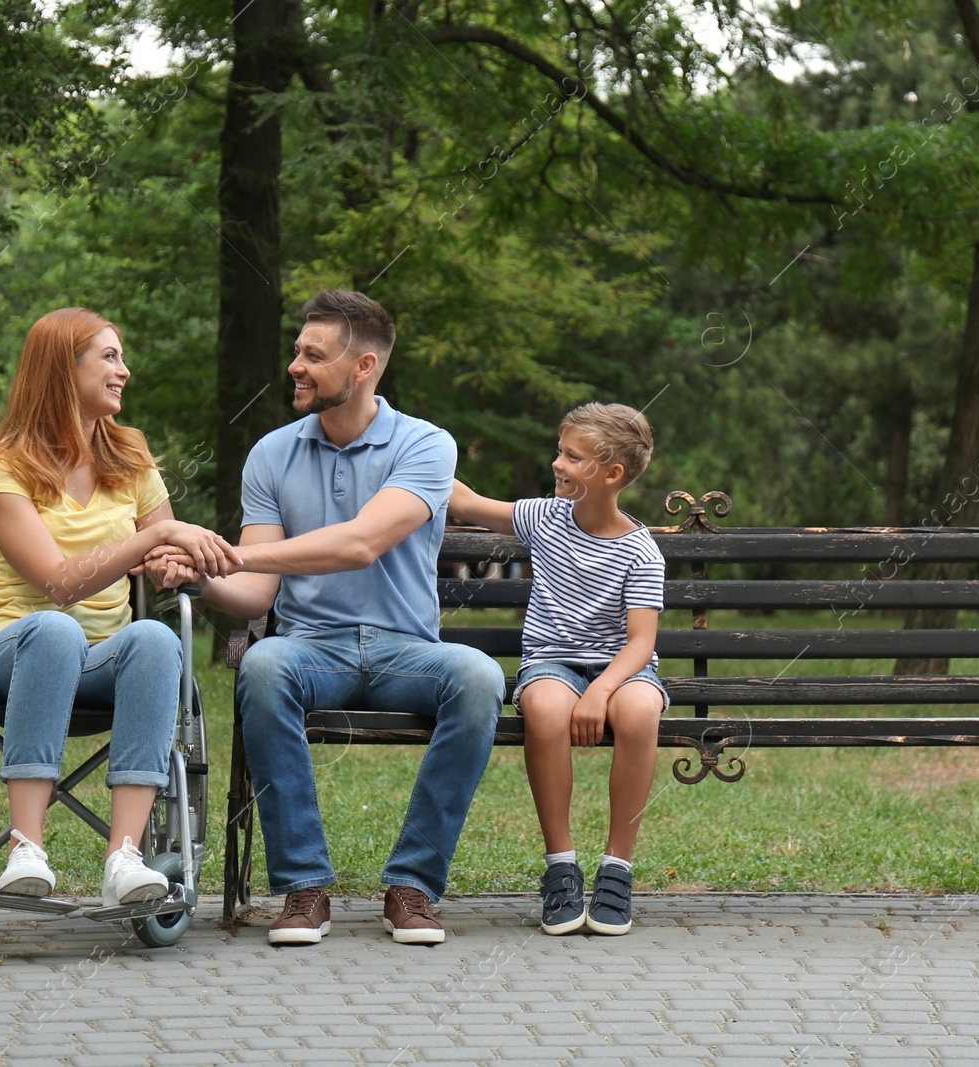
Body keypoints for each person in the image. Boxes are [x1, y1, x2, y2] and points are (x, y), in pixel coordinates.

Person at [156, 289, 503, 946]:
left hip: (407, 651)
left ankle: (413, 886)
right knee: (261, 663)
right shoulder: (271, 454)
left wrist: (228, 554)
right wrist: (203, 577)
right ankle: (303, 889)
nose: (296, 365)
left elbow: (361, 542)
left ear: (364, 366)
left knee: (480, 677)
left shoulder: (426, 445)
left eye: (313, 355)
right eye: (297, 351)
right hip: (312, 648)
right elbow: (258, 592)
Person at [0, 307, 240, 908]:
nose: (125, 371)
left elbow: (166, 543)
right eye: (109, 357)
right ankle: (25, 850)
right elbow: (58, 584)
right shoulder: (3, 466)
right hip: (6, 653)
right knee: (56, 628)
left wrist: (175, 560)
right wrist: (147, 541)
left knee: (156, 639)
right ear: (65, 370)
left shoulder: (130, 458)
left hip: (98, 659)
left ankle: (125, 857)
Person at [449, 403, 665, 936]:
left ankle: (617, 869)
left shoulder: (642, 551)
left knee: (639, 712)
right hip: (551, 663)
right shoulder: (545, 517)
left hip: (621, 669)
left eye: (572, 456)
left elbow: (642, 642)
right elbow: (471, 504)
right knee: (544, 710)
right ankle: (561, 867)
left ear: (611, 474)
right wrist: (410, 452)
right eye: (560, 452)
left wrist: (602, 692)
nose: (557, 464)